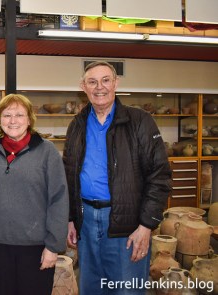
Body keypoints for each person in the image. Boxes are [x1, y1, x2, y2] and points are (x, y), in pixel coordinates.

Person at [63, 61, 172, 294]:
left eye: (105, 80)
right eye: (92, 82)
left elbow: (160, 175)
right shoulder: (77, 125)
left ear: (116, 83)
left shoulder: (139, 121)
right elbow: (69, 174)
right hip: (86, 222)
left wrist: (146, 225)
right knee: (91, 287)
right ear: (83, 87)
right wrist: (71, 218)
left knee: (125, 289)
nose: (99, 87)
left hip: (127, 224)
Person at [0, 93, 69, 295]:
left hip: (36, 248)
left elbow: (59, 200)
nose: (13, 121)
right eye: (7, 115)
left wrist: (53, 246)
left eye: (19, 115)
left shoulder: (47, 152)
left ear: (29, 119)